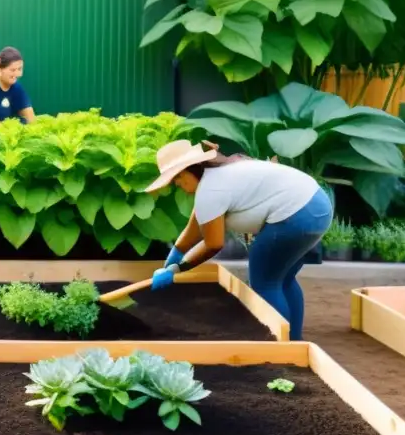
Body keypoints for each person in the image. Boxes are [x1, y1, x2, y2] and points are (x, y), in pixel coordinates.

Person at [142, 139, 333, 341]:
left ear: (192, 169)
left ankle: (281, 347)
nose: (178, 184)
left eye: (178, 178)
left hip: (294, 216)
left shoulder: (211, 189)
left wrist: (177, 269)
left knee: (265, 283)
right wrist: (176, 254)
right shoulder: (218, 176)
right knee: (283, 279)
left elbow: (213, 244)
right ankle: (294, 342)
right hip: (317, 206)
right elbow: (197, 224)